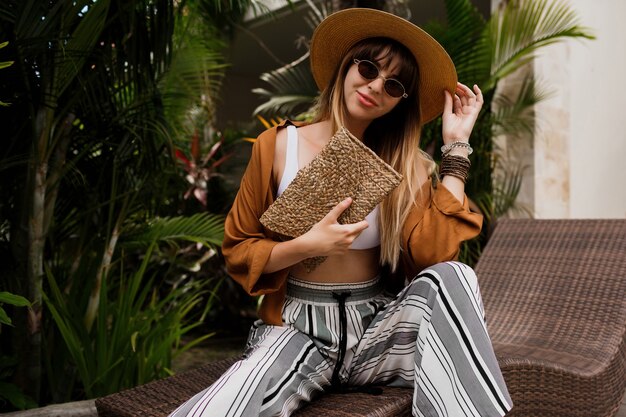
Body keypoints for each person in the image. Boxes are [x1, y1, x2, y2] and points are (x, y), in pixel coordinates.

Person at [169, 8, 512, 417]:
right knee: (225, 406)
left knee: (456, 276)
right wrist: (305, 245)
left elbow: (433, 257)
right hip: (299, 330)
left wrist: (456, 151)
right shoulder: (279, 146)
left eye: (394, 85)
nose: (375, 86)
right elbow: (238, 250)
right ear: (345, 65)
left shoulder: (408, 166)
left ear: (400, 101)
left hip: (378, 332)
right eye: (368, 67)